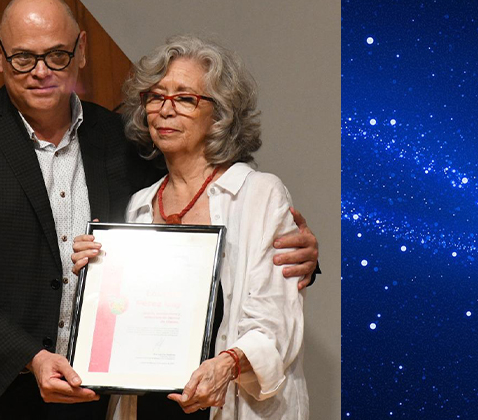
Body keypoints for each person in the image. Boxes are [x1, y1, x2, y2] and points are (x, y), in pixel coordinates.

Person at [0, 0, 317, 420]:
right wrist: (32, 356)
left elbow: (220, 212)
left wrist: (297, 252)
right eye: (23, 58)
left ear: (81, 51)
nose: (41, 72)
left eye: (58, 55)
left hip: (93, 404)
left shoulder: (124, 142)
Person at [72, 35, 309, 419]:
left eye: (185, 98)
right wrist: (98, 277)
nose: (166, 110)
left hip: (229, 402)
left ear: (220, 114)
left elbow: (276, 322)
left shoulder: (258, 195)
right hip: (149, 407)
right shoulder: (141, 205)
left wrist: (229, 363)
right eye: (155, 96)